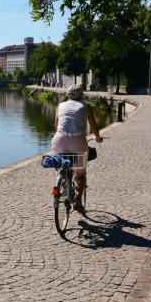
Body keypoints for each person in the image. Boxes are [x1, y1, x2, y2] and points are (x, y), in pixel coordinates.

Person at [52, 84, 103, 212]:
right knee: (80, 173)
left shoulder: (60, 106)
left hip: (59, 140)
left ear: (68, 95)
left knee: (63, 162)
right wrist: (98, 138)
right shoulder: (86, 106)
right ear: (82, 95)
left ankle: (61, 182)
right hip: (77, 141)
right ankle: (78, 201)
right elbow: (94, 127)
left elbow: (56, 125)